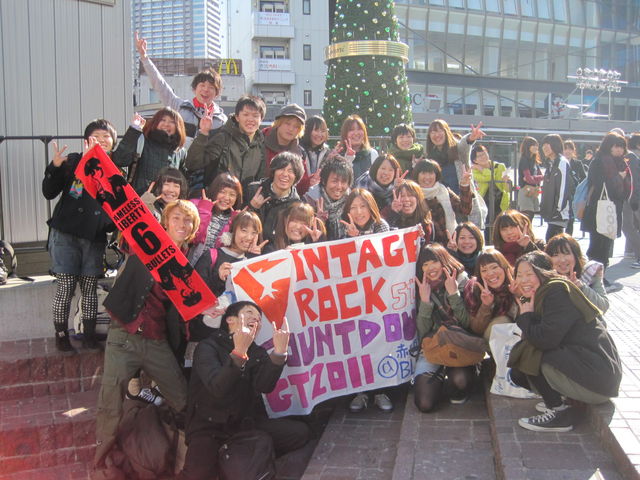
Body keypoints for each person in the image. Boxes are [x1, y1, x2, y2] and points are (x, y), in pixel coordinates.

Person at [93, 200, 200, 469]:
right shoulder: (145, 241)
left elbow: (191, 303)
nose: (182, 224)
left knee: (182, 398)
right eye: (176, 218)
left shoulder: (186, 262)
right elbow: (126, 220)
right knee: (110, 402)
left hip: (155, 339)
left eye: (188, 220)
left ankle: (186, 455)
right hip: (123, 335)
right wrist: (146, 199)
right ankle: (101, 463)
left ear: (193, 228)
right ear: (165, 222)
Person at [178, 301, 310, 480]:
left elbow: (264, 386)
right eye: (249, 312)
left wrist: (279, 354)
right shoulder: (208, 346)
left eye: (259, 318)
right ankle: (228, 462)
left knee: (300, 433)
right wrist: (239, 353)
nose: (256, 319)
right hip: (208, 427)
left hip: (243, 425)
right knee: (197, 475)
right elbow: (217, 387)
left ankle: (235, 460)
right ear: (230, 320)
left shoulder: (256, 351)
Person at [508, 251, 622, 432]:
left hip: (598, 380)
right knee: (519, 367)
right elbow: (532, 317)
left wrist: (525, 315)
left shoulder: (557, 292)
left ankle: (559, 413)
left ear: (544, 272)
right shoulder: (544, 292)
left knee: (530, 353)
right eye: (519, 275)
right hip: (589, 372)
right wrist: (520, 297)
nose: (523, 280)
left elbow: (543, 339)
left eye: (529, 274)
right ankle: (558, 401)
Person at [42, 119, 117, 352]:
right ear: (87, 140)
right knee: (65, 286)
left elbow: (114, 205)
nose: (102, 140)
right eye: (97, 136)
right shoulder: (74, 160)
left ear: (113, 142)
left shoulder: (115, 171)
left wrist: (109, 226)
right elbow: (50, 192)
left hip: (94, 237)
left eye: (106, 136)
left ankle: (89, 335)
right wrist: (55, 167)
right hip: (65, 233)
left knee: (89, 288)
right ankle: (61, 335)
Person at [135, 31, 226, 143]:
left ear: (217, 93)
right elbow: (159, 84)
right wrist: (144, 58)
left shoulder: (222, 120)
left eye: (211, 87)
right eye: (202, 85)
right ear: (194, 89)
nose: (206, 90)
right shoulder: (179, 106)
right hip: (179, 154)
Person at [413, 243, 473, 411]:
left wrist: (454, 295)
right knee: (424, 403)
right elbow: (422, 332)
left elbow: (467, 323)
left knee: (460, 381)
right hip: (433, 345)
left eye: (434, 262)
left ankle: (454, 385)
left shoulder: (462, 280)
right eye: (425, 264)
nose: (430, 268)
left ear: (443, 261)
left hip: (459, 343)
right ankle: (437, 382)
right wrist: (425, 302)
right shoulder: (422, 286)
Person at [185, 95, 266, 193]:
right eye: (246, 114)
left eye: (255, 116)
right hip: (219, 198)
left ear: (261, 119)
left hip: (245, 201)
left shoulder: (261, 145)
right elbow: (193, 164)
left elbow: (259, 180)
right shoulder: (223, 138)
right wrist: (203, 133)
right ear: (237, 117)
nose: (250, 119)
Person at [582, 132, 631, 286]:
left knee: (607, 244)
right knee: (597, 245)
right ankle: (594, 278)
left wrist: (621, 179)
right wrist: (618, 178)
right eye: (616, 146)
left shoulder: (622, 163)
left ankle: (601, 277)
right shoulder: (598, 161)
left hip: (613, 210)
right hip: (598, 209)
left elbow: (626, 189)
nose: (619, 150)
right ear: (608, 146)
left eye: (622, 147)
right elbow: (598, 184)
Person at [112, 108, 187, 194]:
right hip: (140, 198)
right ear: (155, 122)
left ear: (178, 126)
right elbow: (119, 160)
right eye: (163, 120)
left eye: (172, 122)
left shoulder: (180, 152)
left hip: (168, 200)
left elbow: (184, 181)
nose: (166, 124)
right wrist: (133, 131)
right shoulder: (142, 141)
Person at [245, 152, 304, 244]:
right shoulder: (253, 190)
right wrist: (252, 207)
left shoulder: (296, 206)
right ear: (274, 171)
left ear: (296, 176)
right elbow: (237, 223)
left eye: (291, 171)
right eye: (281, 169)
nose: (285, 174)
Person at [412, 159, 473, 245]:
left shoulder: (444, 191)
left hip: (448, 244)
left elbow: (465, 210)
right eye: (423, 173)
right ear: (417, 175)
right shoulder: (412, 194)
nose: (427, 177)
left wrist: (465, 185)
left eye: (431, 173)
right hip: (422, 245)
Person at [546, 233, 609, 313]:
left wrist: (581, 287)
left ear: (576, 255)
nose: (562, 260)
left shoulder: (590, 272)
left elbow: (603, 306)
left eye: (566, 253)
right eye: (556, 255)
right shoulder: (544, 278)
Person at [190, 173, 244, 265]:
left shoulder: (234, 218)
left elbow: (228, 250)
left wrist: (234, 222)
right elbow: (193, 239)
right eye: (222, 192)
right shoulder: (195, 206)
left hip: (213, 269)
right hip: (190, 263)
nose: (226, 198)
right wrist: (204, 210)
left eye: (232, 194)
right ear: (214, 191)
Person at [463, 249, 516, 341]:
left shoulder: (516, 281)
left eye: (494, 267)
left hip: (520, 334)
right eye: (484, 270)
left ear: (504, 266)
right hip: (489, 340)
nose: (490, 273)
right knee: (500, 322)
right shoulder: (474, 288)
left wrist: (518, 295)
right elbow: (477, 329)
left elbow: (530, 310)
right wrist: (486, 306)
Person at [425, 119, 484, 196]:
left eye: (440, 131)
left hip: (463, 197)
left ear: (447, 132)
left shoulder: (457, 149)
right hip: (442, 199)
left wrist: (471, 137)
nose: (437, 135)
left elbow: (464, 144)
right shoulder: (429, 156)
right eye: (433, 132)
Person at [262, 104, 309, 195]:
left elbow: (300, 187)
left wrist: (310, 181)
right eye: (287, 123)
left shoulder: (300, 153)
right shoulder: (259, 141)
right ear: (278, 123)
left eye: (296, 126)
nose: (291, 129)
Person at [303, 157, 353, 241]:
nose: (339, 187)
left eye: (344, 182)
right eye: (334, 181)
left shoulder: (351, 201)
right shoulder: (309, 201)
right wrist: (318, 223)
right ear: (324, 181)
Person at [540, 134, 572, 242]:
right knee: (552, 241)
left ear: (555, 145)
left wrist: (558, 209)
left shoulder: (561, 162)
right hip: (551, 211)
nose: (544, 147)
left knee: (552, 240)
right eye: (543, 144)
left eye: (547, 144)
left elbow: (563, 188)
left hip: (558, 212)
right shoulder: (550, 163)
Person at [334, 114, 379, 182]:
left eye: (359, 129)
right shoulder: (338, 156)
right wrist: (348, 159)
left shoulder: (372, 154)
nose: (356, 133)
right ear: (345, 134)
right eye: (351, 130)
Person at [470, 145, 510, 219]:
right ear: (475, 161)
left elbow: (507, 189)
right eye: (479, 156)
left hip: (500, 201)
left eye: (484, 153)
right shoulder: (474, 170)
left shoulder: (500, 166)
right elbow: (489, 177)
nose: (483, 157)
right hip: (484, 202)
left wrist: (506, 182)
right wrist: (481, 169)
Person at [622, 132, 640, 268]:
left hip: (631, 196)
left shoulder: (630, 157)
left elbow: (634, 178)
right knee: (630, 226)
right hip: (633, 195)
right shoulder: (632, 156)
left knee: (628, 226)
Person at [517, 136, 543, 222]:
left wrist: (533, 178)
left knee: (530, 216)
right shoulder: (524, 159)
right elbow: (528, 179)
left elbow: (542, 176)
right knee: (527, 216)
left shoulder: (535, 161)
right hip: (525, 191)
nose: (536, 147)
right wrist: (534, 178)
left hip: (534, 191)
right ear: (527, 146)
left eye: (537, 145)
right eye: (533, 145)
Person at [300, 115, 331, 184]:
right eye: (316, 130)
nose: (320, 134)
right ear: (307, 131)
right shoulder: (298, 150)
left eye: (323, 131)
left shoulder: (327, 152)